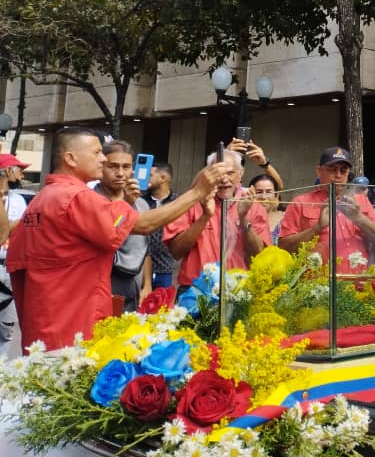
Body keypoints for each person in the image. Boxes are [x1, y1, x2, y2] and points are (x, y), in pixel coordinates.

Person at [7, 126, 224, 350]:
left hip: (45, 322)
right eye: (96, 152)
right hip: (73, 326)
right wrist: (197, 193)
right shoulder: (74, 197)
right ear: (70, 158)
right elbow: (143, 224)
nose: (102, 159)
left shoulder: (43, 198)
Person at [164, 148, 270, 288]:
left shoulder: (254, 206)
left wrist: (244, 218)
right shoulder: (191, 202)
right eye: (218, 173)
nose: (224, 179)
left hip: (239, 290)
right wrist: (204, 217)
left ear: (241, 174)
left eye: (230, 173)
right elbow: (176, 252)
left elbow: (259, 255)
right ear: (208, 174)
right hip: (196, 289)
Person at [277, 147, 375, 271]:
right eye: (332, 169)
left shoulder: (361, 200)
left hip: (359, 282)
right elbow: (284, 247)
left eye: (343, 170)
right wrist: (317, 228)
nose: (338, 175)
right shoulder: (301, 202)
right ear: (319, 171)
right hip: (318, 285)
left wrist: (359, 218)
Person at [93, 140, 149, 313]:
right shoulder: (91, 200)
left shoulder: (141, 204)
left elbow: (146, 249)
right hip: (102, 287)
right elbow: (108, 236)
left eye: (126, 167)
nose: (120, 173)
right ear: (101, 167)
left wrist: (147, 284)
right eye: (113, 166)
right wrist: (126, 204)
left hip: (135, 288)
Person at [0, 153, 29, 357]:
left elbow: (23, 228)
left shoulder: (18, 200)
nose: (22, 176)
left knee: (7, 330)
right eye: (19, 170)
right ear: (8, 171)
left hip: (8, 269)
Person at [142, 161, 177, 295]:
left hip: (165, 268)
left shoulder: (177, 202)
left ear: (163, 178)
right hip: (140, 268)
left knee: (162, 309)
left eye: (150, 175)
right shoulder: (140, 201)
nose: (146, 178)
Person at [248, 174, 284, 244]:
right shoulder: (244, 218)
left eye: (268, 192)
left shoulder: (286, 218)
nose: (263, 196)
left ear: (276, 195)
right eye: (259, 192)